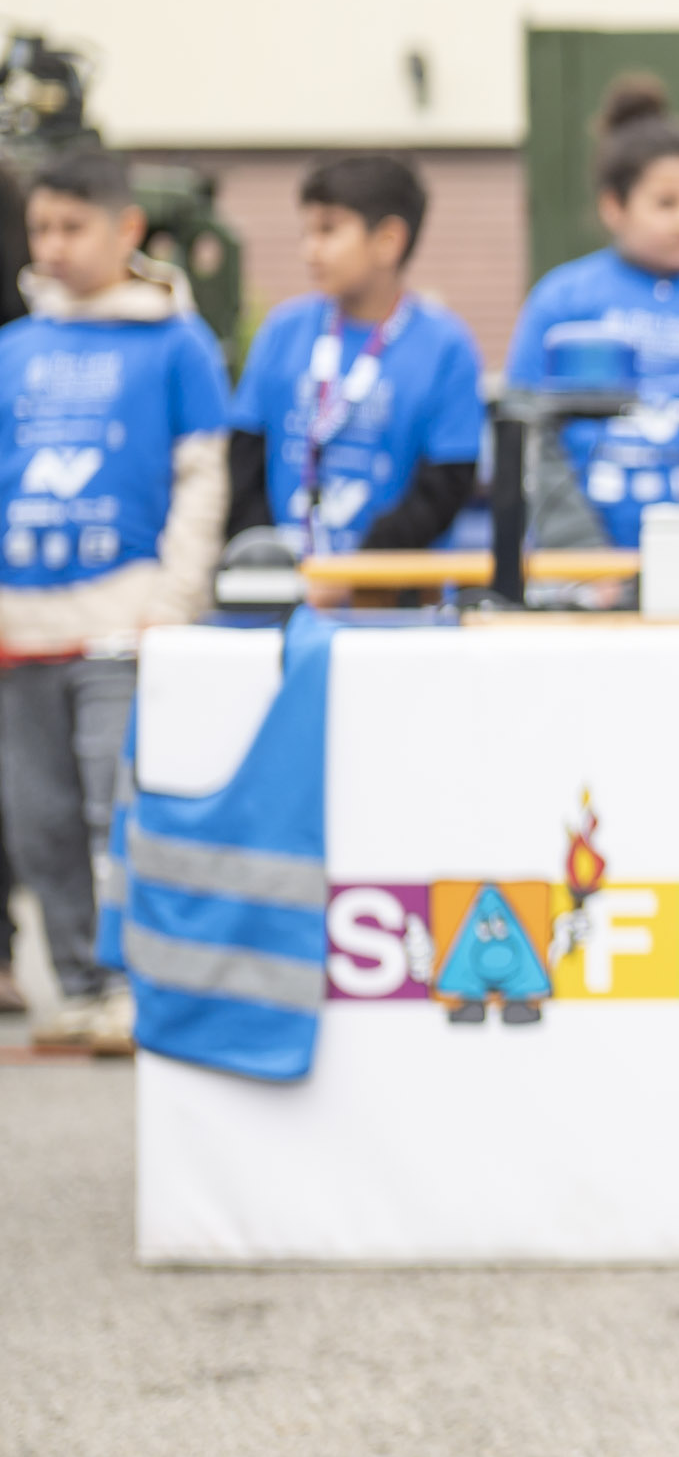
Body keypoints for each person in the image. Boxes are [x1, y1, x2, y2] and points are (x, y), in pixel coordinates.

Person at [0, 150, 230, 1053]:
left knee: (118, 812)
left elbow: (202, 477)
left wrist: (173, 599)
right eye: (40, 228)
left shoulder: (178, 342)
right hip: (22, 629)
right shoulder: (15, 349)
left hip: (125, 626)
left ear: (126, 228)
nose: (53, 245)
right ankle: (79, 990)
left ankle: (138, 985)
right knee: (39, 822)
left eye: (73, 226)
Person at [505, 77, 679, 549]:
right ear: (614, 206)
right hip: (582, 565)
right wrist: (581, 551)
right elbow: (524, 433)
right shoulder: (561, 299)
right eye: (666, 203)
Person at [226, 155, 484, 554]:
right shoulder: (282, 331)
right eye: (306, 232)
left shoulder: (446, 348)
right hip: (281, 580)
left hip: (397, 585)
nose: (310, 250)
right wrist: (268, 561)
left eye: (328, 231)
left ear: (388, 241)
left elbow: (444, 488)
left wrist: (357, 574)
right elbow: (243, 463)